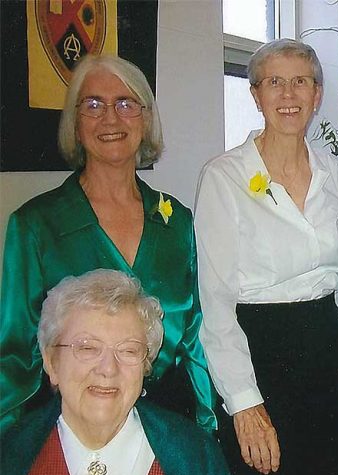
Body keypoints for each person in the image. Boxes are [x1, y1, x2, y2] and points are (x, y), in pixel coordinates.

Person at [194, 38, 338, 475]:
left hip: (326, 351)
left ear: (317, 95)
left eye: (301, 82)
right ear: (255, 95)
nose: (288, 94)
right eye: (275, 82)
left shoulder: (333, 172)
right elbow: (216, 303)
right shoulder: (224, 177)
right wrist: (244, 402)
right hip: (258, 354)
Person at [0, 54, 216, 434]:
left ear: (146, 119)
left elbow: (194, 338)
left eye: (126, 103)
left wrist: (206, 427)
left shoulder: (176, 222)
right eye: (94, 105)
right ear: (75, 122)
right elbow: (17, 357)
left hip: (167, 425)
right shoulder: (36, 225)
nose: (111, 118)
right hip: (73, 427)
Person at [0, 270, 242, 475]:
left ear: (146, 364)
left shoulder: (196, 459)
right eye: (87, 348)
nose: (108, 369)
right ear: (52, 361)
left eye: (128, 351)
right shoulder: (9, 458)